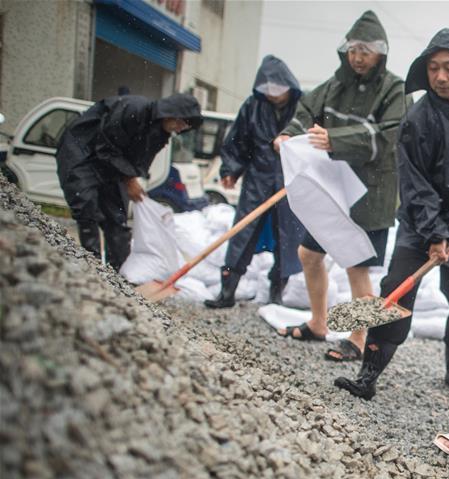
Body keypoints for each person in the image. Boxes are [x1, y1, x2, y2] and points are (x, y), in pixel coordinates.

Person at [334, 28, 449, 401]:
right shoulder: (418, 117)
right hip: (421, 221)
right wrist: (434, 232)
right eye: (433, 68)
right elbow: (414, 182)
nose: (440, 77)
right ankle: (368, 372)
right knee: (397, 289)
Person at [273, 10, 405, 362]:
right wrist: (289, 134)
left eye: (366, 51)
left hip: (370, 193)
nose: (358, 57)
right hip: (333, 190)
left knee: (356, 265)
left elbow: (388, 136)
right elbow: (307, 109)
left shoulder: (394, 89)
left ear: (380, 53)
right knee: (309, 254)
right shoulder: (335, 85)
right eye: (353, 50)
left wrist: (336, 139)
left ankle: (358, 339)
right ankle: (319, 323)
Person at [56, 93, 202, 269]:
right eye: (181, 123)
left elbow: (138, 163)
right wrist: (129, 179)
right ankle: (92, 266)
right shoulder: (134, 109)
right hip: (81, 151)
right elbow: (105, 147)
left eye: (185, 126)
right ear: (171, 113)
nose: (180, 129)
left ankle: (119, 272)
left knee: (117, 217)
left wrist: (132, 181)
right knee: (86, 207)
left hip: (111, 164)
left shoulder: (160, 133)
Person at [205, 55, 305, 308]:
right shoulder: (253, 106)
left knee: (288, 238)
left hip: (290, 182)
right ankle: (227, 291)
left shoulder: (302, 107)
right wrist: (230, 170)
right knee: (242, 233)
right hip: (258, 178)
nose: (273, 95)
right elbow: (237, 140)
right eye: (268, 90)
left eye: (278, 89)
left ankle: (276, 294)